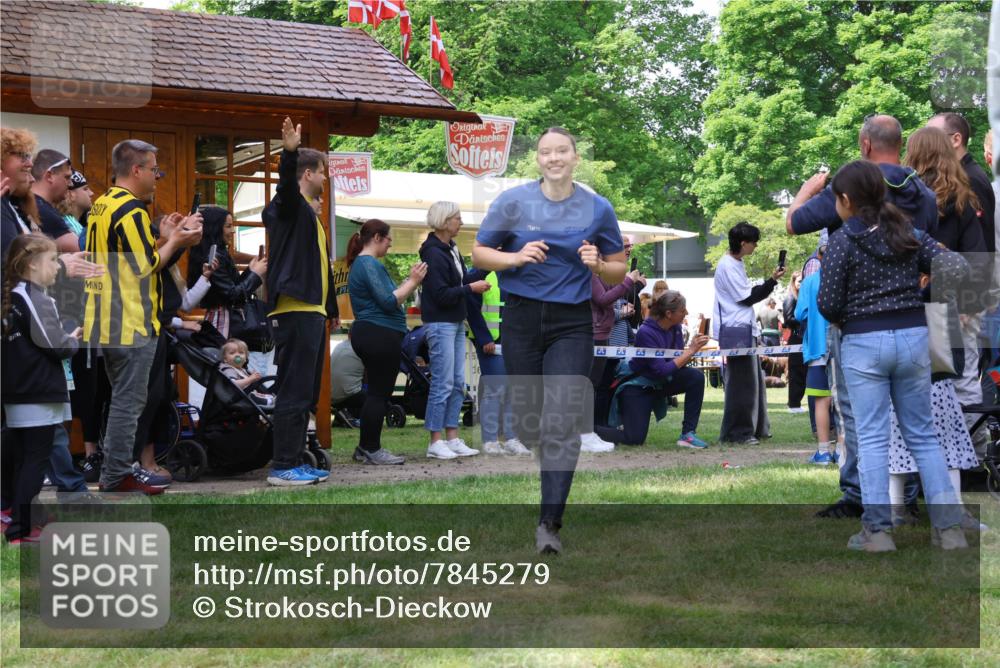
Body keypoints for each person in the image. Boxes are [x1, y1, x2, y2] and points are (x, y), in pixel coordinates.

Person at [473, 126, 627, 554]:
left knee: (561, 422)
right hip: (521, 318)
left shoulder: (597, 208)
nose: (554, 158)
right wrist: (515, 257)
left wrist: (598, 264)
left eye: (562, 151)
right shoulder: (513, 201)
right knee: (530, 422)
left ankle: (549, 524)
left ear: (575, 158)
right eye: (546, 152)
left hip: (570, 322)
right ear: (537, 159)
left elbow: (619, 268)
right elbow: (480, 254)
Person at [787, 114, 939, 520]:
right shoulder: (922, 193)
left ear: (865, 145)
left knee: (861, 423)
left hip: (860, 328)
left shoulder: (850, 197)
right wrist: (921, 285)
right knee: (919, 430)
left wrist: (805, 193)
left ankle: (864, 505)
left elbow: (793, 224)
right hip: (914, 323)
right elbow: (945, 259)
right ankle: (917, 504)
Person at [817, 160, 969, 552]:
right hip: (914, 338)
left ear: (846, 200)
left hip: (864, 342)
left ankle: (878, 532)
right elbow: (957, 265)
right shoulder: (908, 232)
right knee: (922, 435)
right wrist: (922, 295)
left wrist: (854, 316)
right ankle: (950, 531)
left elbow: (828, 303)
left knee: (870, 439)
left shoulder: (843, 241)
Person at [82, 139, 202, 495]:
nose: (157, 176)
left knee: (120, 398)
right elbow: (145, 266)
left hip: (104, 317)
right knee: (128, 402)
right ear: (136, 170)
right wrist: (178, 241)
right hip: (132, 319)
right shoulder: (132, 210)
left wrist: (165, 236)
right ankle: (117, 473)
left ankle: (116, 469)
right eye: (154, 169)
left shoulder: (101, 205)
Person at [261, 117, 338, 486]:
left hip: (311, 311)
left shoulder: (310, 216)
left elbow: (321, 269)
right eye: (322, 173)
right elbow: (285, 191)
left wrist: (332, 311)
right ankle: (282, 466)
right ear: (307, 174)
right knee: (293, 390)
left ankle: (294, 460)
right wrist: (289, 152)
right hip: (294, 311)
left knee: (305, 391)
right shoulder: (288, 208)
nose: (325, 179)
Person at [1, 234, 80, 544]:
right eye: (52, 261)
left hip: (18, 391)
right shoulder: (35, 297)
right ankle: (21, 528)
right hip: (37, 391)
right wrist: (72, 339)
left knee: (23, 459)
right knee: (35, 459)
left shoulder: (14, 298)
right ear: (32, 264)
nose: (57, 268)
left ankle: (20, 522)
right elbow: (55, 345)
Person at [347, 219, 426, 465]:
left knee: (377, 393)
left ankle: (365, 448)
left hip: (374, 333)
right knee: (379, 394)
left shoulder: (365, 264)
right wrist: (413, 281)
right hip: (378, 333)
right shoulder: (368, 263)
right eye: (389, 238)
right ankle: (371, 448)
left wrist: (408, 283)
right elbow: (388, 300)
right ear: (378, 237)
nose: (391, 243)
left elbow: (388, 297)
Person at [418, 201, 488, 460]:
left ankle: (452, 436)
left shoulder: (451, 249)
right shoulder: (434, 253)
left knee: (458, 382)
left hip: (456, 322)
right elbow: (440, 294)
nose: (461, 222)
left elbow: (460, 282)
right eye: (457, 218)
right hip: (441, 322)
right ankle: (435, 441)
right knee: (443, 382)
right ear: (445, 221)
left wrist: (484, 270)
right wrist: (471, 289)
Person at [596, 291, 710, 447]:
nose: (686, 313)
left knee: (695, 377)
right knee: (634, 439)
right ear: (669, 313)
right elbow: (661, 370)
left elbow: (673, 361)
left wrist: (689, 350)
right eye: (682, 310)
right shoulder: (646, 332)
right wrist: (690, 351)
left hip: (660, 381)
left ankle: (688, 435)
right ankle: (589, 432)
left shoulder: (675, 327)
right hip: (638, 386)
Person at [713, 222, 784, 444]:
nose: (756, 246)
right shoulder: (727, 265)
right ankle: (738, 433)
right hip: (736, 329)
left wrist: (771, 281)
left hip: (744, 327)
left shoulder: (736, 262)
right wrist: (772, 281)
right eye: (754, 242)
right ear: (743, 243)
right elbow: (747, 297)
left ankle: (757, 427)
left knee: (754, 382)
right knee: (741, 385)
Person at [465, 271, 530, 456]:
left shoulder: (517, 273)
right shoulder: (480, 273)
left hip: (514, 341)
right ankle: (490, 441)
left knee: (512, 390)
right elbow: (472, 309)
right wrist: (484, 338)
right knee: (496, 390)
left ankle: (511, 439)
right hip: (490, 343)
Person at [584, 262, 642, 453]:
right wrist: (629, 281)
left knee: (595, 387)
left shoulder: (598, 274)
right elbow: (602, 298)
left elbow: (612, 292)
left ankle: (592, 431)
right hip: (593, 334)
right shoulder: (589, 274)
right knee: (590, 386)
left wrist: (631, 284)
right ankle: (586, 432)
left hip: (601, 334)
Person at [187, 206, 268, 340]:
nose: (232, 231)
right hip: (222, 322)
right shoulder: (213, 257)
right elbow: (233, 296)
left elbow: (233, 287)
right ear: (215, 228)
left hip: (226, 318)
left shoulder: (219, 252)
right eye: (228, 226)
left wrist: (251, 270)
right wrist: (255, 274)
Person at [926, 112, 995, 253]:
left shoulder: (970, 180)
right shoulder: (959, 176)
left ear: (956, 139)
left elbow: (980, 243)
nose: (926, 144)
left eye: (933, 137)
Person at [794, 245, 836, 465]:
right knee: (842, 401)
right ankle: (843, 449)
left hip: (817, 348)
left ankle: (823, 452)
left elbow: (799, 313)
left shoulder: (809, 282)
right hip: (843, 349)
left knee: (821, 401)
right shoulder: (844, 279)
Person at [30, 149, 79, 253]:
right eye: (67, 177)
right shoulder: (42, 210)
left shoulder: (31, 203)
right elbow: (81, 250)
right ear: (49, 176)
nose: (70, 184)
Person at [219, 338, 275, 407]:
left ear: (245, 358)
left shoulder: (242, 370)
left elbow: (247, 386)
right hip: (238, 397)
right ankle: (270, 402)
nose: (237, 355)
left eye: (241, 352)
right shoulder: (229, 369)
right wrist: (250, 379)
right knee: (258, 398)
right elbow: (233, 385)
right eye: (232, 353)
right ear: (225, 359)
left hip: (247, 393)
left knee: (267, 395)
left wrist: (255, 382)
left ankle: (270, 400)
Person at [783, 272, 807, 414]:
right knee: (796, 373)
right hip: (796, 339)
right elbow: (788, 320)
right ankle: (793, 404)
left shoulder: (801, 298)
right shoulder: (790, 298)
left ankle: (796, 403)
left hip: (803, 338)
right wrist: (804, 319)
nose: (801, 283)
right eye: (799, 281)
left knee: (802, 373)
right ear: (793, 282)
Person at [330, 335, 365, 427]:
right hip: (346, 396)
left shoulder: (339, 346)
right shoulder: (361, 349)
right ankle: (352, 417)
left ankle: (341, 417)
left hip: (330, 396)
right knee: (373, 395)